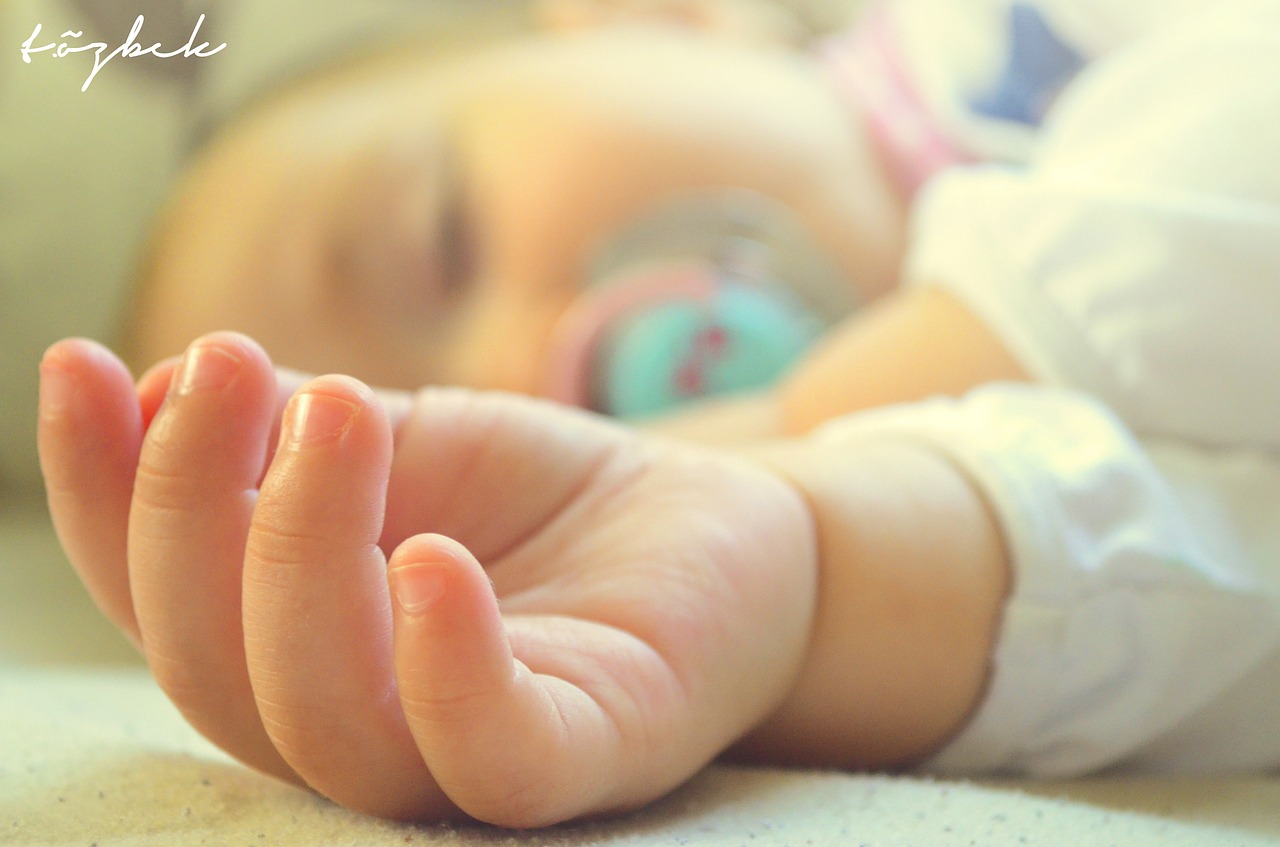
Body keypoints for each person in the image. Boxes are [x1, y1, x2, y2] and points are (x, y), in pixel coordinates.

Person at [35, 0, 1280, 829]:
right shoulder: (1020, 467)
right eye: (493, 426)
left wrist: (836, 397)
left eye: (447, 242)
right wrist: (803, 572)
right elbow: (1218, 591)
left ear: (650, 11)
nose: (524, 366)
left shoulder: (997, 37)